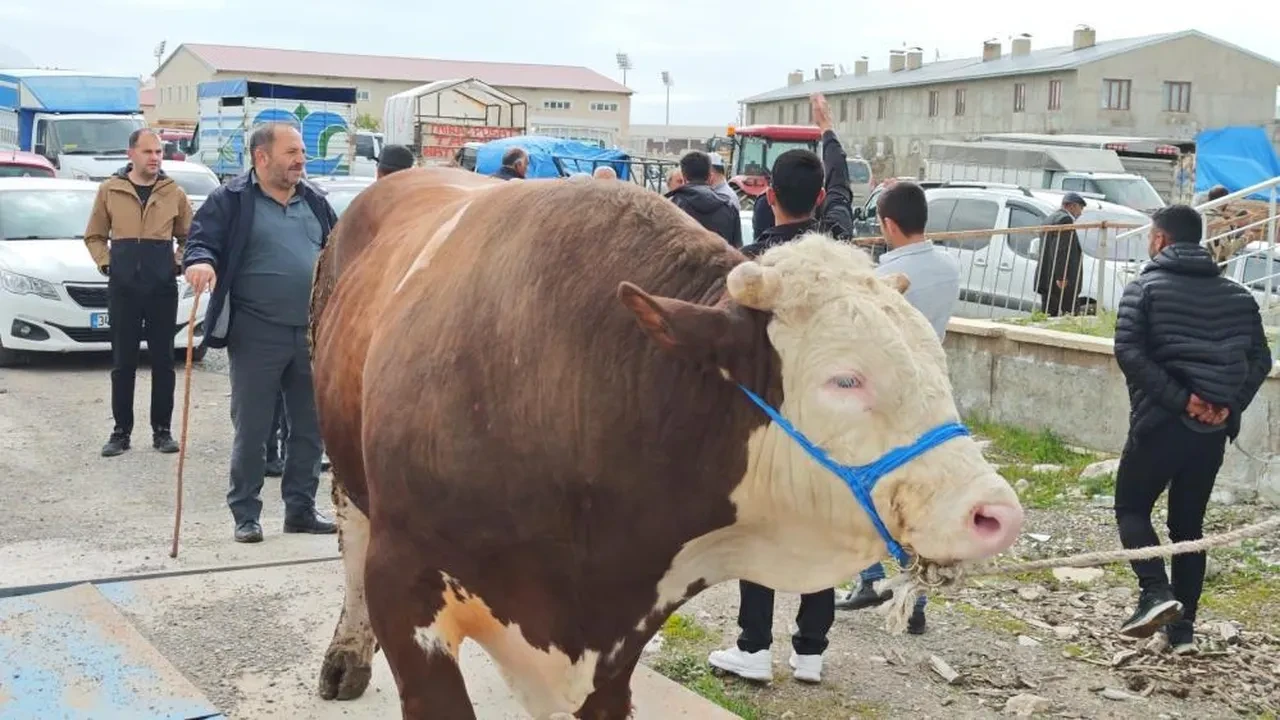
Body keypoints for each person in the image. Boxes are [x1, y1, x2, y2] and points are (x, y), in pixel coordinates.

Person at [707, 93, 854, 686]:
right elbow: (842, 190)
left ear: (768, 195)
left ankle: (754, 647)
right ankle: (811, 653)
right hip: (831, 420)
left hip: (771, 424)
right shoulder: (839, 247)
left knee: (765, 530)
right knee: (820, 528)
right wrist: (828, 134)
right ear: (818, 199)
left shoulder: (750, 268)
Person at [1112, 204, 1272, 653]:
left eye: (1150, 236)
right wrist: (1226, 407)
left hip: (1159, 424)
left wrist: (1182, 400)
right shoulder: (1239, 295)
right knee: (1188, 527)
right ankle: (1182, 633)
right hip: (1209, 435)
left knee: (1131, 508)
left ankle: (1155, 593)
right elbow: (1262, 359)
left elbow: (1128, 352)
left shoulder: (1144, 288)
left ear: (1160, 240)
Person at [183, 122, 338, 543]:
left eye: (302, 152)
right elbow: (200, 241)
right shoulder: (231, 200)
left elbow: (339, 248)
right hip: (256, 332)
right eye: (291, 152)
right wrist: (201, 262)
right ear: (261, 157)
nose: (301, 160)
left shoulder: (315, 201)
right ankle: (246, 514)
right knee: (252, 429)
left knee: (309, 428)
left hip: (311, 333)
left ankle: (301, 510)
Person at [833, 181, 962, 633]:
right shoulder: (948, 267)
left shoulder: (881, 276)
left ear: (888, 224)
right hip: (930, 393)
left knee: (859, 488)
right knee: (917, 497)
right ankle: (916, 597)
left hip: (882, 397)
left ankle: (870, 576)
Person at [84, 128, 191, 457]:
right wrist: (108, 265)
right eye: (148, 152)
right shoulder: (110, 190)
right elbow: (94, 236)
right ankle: (121, 432)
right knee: (123, 362)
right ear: (131, 154)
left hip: (161, 290)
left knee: (163, 362)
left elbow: (190, 236)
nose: (155, 158)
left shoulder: (173, 192)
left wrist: (176, 263)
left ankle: (163, 431)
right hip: (124, 289)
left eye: (158, 152)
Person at [741, 93, 854, 259]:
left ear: (770, 196)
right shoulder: (837, 240)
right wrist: (826, 128)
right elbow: (839, 186)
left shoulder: (750, 261)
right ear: (820, 196)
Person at [665, 150, 742, 247]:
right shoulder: (729, 208)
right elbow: (737, 248)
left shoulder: (672, 207)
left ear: (684, 178)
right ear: (710, 177)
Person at [1035, 192, 1086, 317]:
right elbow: (1061, 250)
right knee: (1070, 316)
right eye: (1080, 208)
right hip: (1060, 282)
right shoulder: (1065, 220)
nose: (1080, 213)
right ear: (1072, 206)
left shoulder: (1050, 218)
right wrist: (1062, 276)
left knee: (1048, 315)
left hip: (1047, 278)